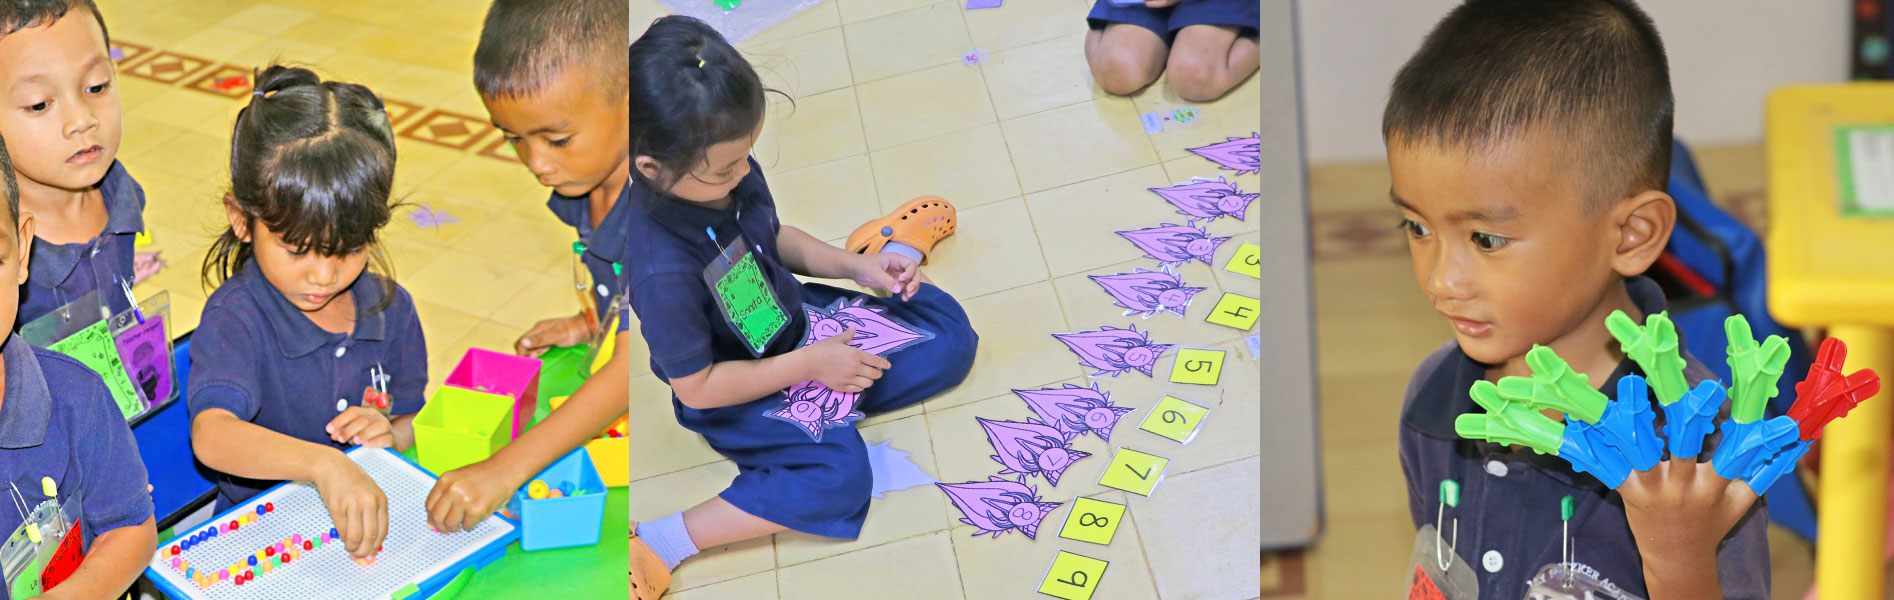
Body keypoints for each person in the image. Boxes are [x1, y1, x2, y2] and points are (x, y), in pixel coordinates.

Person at [1387, 1, 1770, 598]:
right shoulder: (1433, 398)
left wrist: (1679, 553)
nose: (1441, 281)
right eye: (1416, 228)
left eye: (1485, 239)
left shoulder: (1699, 451)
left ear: (1631, 234)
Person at [621, 16, 978, 599]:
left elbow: (772, 237)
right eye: (724, 171)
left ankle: (882, 247)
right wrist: (812, 367)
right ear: (651, 168)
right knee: (838, 478)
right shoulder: (659, 267)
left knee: (950, 340)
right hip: (738, 389)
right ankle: (661, 543)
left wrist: (850, 266)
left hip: (796, 325)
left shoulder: (721, 166)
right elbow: (698, 389)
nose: (742, 177)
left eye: (746, 160)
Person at [187, 65, 422, 562]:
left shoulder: (391, 310)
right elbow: (212, 435)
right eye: (297, 250)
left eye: (346, 249)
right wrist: (322, 464)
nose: (323, 276)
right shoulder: (237, 319)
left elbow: (409, 421)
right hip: (260, 545)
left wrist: (391, 434)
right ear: (241, 220)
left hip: (362, 533)